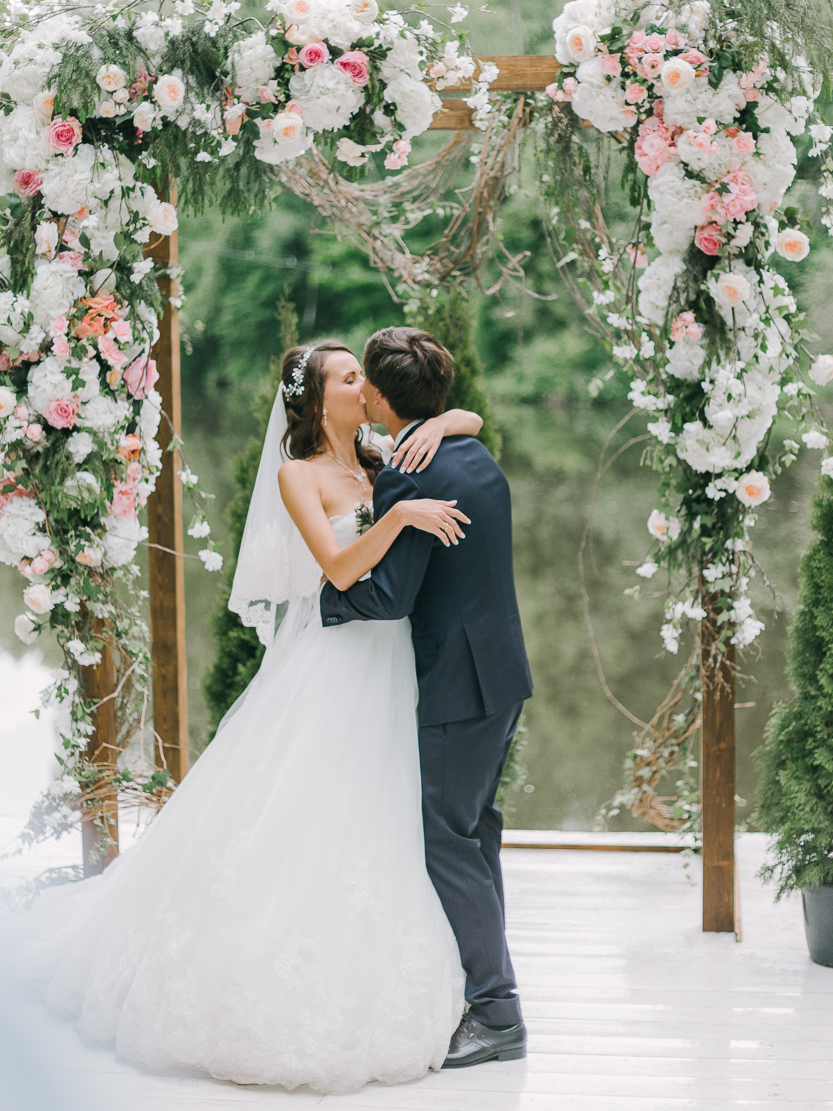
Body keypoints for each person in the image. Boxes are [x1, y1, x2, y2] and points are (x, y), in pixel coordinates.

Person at [7, 338, 488, 1094]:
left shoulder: (377, 451)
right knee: (303, 804)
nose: (365, 384)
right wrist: (402, 518)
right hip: (333, 661)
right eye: (350, 376)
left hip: (388, 660)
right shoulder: (297, 474)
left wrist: (449, 421)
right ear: (320, 397)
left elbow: (469, 417)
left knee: (375, 808)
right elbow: (336, 567)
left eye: (362, 375)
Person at [320, 326, 533, 1068]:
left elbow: (387, 598)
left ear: (378, 397)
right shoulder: (470, 451)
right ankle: (481, 986)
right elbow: (462, 422)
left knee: (446, 838)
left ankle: (497, 1012)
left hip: (455, 682)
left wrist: (321, 602)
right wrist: (446, 421)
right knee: (474, 831)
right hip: (500, 674)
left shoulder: (410, 477)